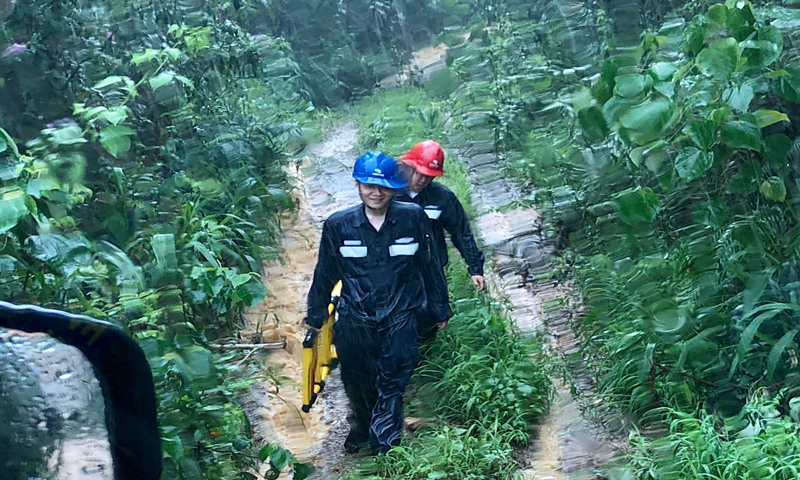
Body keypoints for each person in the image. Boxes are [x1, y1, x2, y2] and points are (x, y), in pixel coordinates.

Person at [304, 151, 451, 455]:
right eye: (369, 185)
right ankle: (361, 425)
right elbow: (325, 273)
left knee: (393, 378)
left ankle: (385, 445)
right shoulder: (338, 226)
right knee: (357, 380)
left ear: (393, 188)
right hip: (355, 318)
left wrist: (440, 308)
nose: (376, 192)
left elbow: (430, 265)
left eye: (383, 186)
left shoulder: (412, 218)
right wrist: (315, 315)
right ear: (358, 185)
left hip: (400, 315)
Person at [395, 140, 485, 342]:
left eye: (428, 176)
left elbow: (461, 231)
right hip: (395, 269)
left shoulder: (441, 197)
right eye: (418, 173)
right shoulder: (387, 194)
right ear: (408, 166)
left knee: (430, 320)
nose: (421, 180)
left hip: (429, 269)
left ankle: (426, 357)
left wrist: (475, 268)